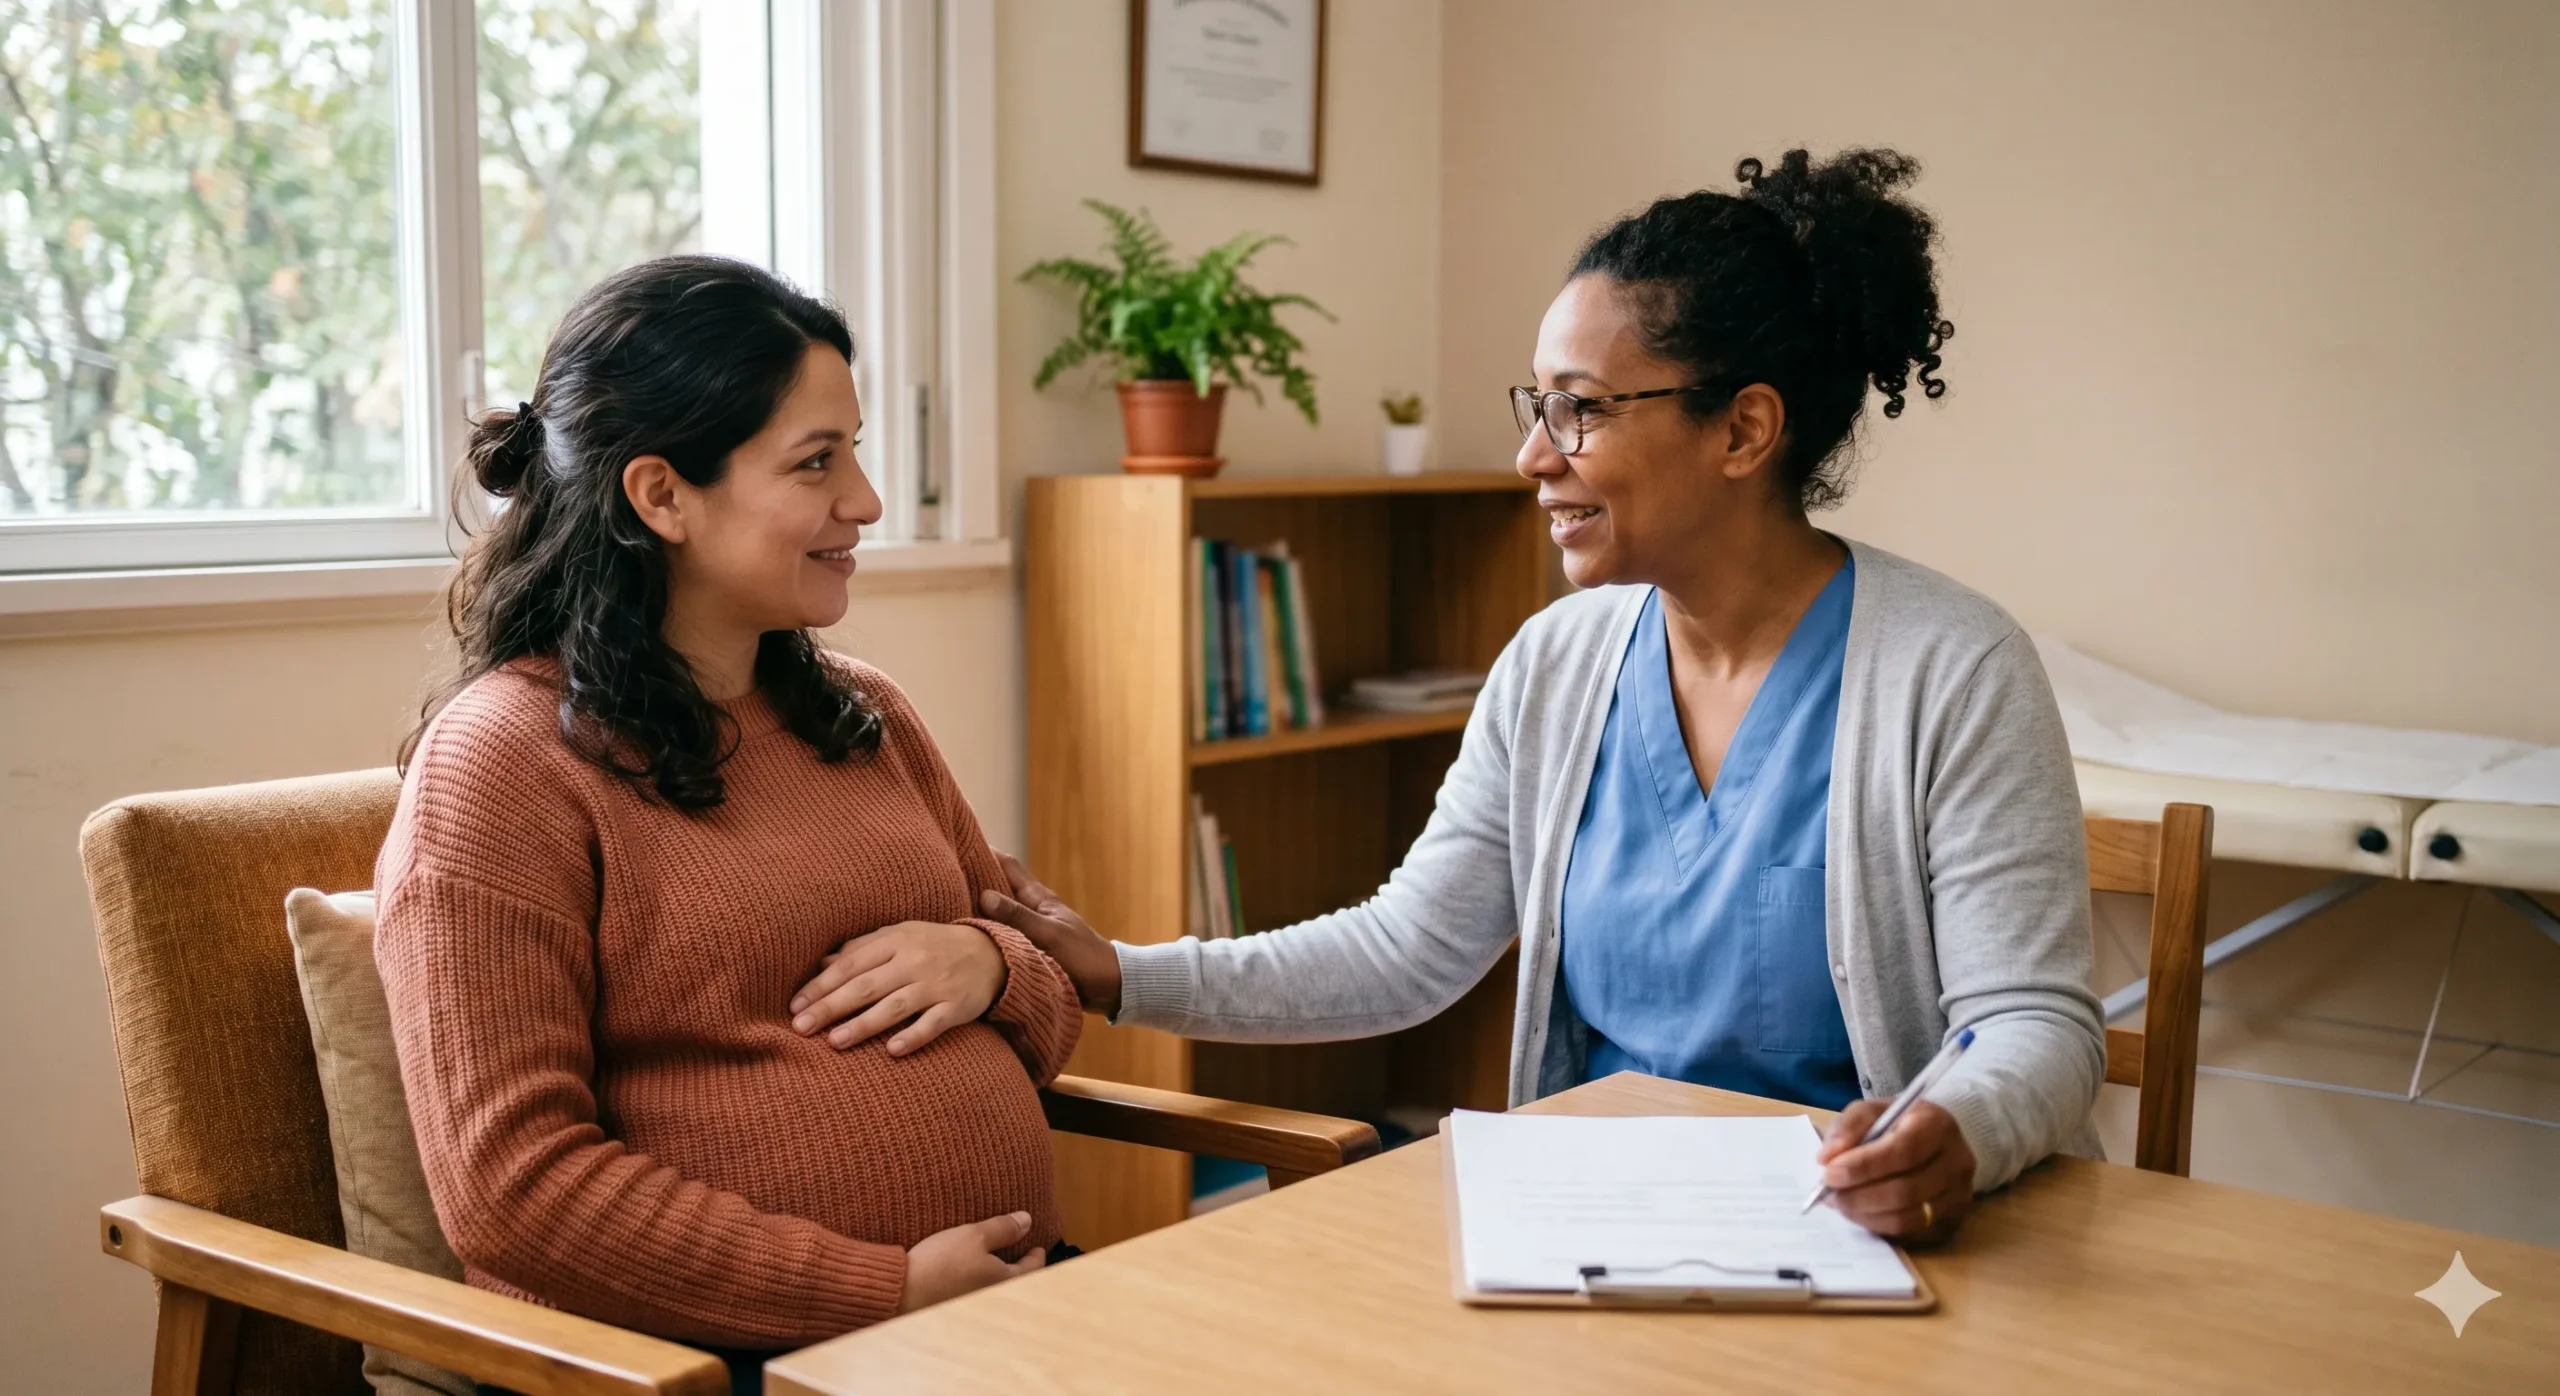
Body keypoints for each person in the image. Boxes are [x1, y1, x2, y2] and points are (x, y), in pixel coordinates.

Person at [799, 148, 2107, 1244]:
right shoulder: (1555, 664)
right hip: (1602, 1234)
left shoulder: (1955, 671)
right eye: (1536, 405)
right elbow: (1406, 950)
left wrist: (1954, 1132)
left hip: (1859, 1244)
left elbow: (2034, 1024)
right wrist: (1122, 973)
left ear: (1743, 431)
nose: (1535, 454)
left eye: (1582, 410)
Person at [377, 255, 1077, 1391]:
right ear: (660, 496)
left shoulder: (862, 714)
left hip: (1000, 1321)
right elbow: (511, 1190)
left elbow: (1052, 988)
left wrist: (989, 964)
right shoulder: (499, 769)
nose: (866, 500)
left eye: (855, 447)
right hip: (719, 1365)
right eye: (816, 462)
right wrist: (881, 1291)